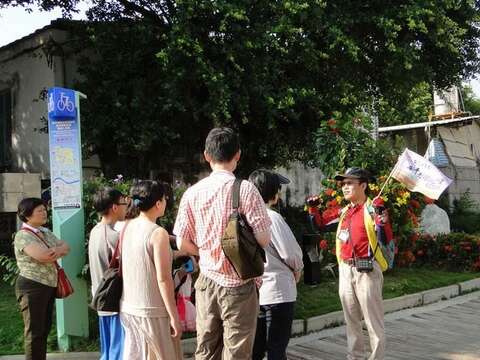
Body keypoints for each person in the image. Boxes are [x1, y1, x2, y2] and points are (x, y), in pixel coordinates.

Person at [173, 127, 271, 360]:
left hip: (206, 283)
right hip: (240, 283)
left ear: (206, 155)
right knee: (237, 353)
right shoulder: (246, 189)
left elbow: (181, 242)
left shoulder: (192, 193)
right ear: (238, 154)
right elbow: (264, 239)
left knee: (206, 350)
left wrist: (205, 251)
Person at [307, 167, 393, 360]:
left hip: (367, 271)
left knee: (373, 321)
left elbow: (386, 239)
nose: (344, 187)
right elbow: (321, 226)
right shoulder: (345, 211)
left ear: (363, 185)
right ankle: (354, 357)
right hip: (346, 270)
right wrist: (313, 209)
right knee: (351, 320)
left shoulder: (373, 209)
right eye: (343, 184)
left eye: (349, 183)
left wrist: (381, 220)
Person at [120, 180, 183, 360]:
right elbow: (163, 279)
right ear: (158, 203)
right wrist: (173, 315)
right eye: (164, 199)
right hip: (153, 311)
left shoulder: (126, 226)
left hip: (130, 307)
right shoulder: (157, 233)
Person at [248, 169, 304, 360]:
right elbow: (290, 253)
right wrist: (298, 269)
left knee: (255, 349)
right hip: (278, 292)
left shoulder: (244, 217)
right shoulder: (272, 217)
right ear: (272, 192)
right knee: (276, 348)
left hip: (254, 292)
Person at [14, 197, 70, 360]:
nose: (45, 212)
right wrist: (56, 250)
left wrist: (55, 251)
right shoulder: (23, 235)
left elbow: (66, 246)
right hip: (32, 286)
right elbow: (43, 256)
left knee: (44, 329)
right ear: (27, 215)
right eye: (40, 210)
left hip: (48, 285)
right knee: (34, 332)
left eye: (44, 209)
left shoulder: (45, 232)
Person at [88, 187, 128, 360]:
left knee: (109, 350)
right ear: (114, 207)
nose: (126, 207)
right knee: (118, 352)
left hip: (102, 299)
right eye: (123, 203)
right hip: (114, 302)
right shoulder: (113, 236)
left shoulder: (96, 230)